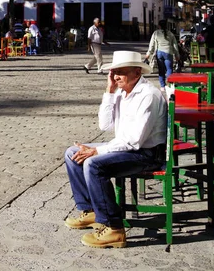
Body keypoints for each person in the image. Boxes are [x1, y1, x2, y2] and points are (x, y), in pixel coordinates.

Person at [64, 51, 166, 248]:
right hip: (126, 147)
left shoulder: (148, 95)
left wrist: (98, 151)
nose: (116, 76)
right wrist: (109, 92)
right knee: (71, 154)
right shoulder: (121, 91)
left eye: (121, 72)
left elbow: (135, 140)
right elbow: (105, 125)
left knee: (94, 164)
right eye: (114, 72)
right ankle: (91, 210)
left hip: (146, 153)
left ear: (137, 72)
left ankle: (114, 228)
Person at [144, 19, 180, 95]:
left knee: (161, 70)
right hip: (168, 52)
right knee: (169, 69)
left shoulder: (156, 33)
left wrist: (148, 54)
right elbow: (175, 45)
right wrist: (177, 55)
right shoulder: (170, 34)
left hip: (159, 53)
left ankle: (163, 86)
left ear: (159, 26)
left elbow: (152, 45)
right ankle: (170, 84)